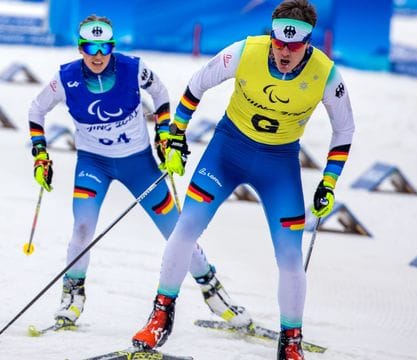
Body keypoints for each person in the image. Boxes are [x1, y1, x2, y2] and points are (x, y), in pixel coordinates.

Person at [132, 1, 355, 359]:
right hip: (226, 153)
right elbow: (196, 85)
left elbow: (344, 129)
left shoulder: (326, 75)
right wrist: (176, 136)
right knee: (185, 228)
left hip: (278, 165)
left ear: (308, 43)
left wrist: (328, 181)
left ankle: (291, 341)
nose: (283, 52)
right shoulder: (245, 51)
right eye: (278, 42)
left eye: (293, 46)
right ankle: (161, 315)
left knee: (289, 256)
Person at [27, 15, 252, 331]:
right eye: (89, 46)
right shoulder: (65, 79)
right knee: (82, 227)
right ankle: (72, 296)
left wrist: (164, 132)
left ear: (112, 47)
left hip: (139, 165)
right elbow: (36, 110)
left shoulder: (133, 68)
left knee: (176, 232)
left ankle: (213, 291)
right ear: (80, 48)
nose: (97, 55)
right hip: (94, 164)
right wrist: (40, 154)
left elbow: (160, 93)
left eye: (103, 47)